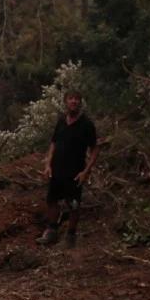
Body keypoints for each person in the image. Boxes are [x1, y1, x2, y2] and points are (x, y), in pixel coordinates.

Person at [36, 90, 99, 248]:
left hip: (75, 171)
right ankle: (51, 231)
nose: (74, 102)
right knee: (52, 200)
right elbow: (53, 143)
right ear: (66, 101)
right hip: (56, 170)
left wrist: (86, 171)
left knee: (73, 204)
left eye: (77, 99)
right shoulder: (61, 121)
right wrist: (48, 165)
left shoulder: (87, 125)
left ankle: (70, 237)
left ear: (80, 102)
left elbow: (95, 149)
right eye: (71, 99)